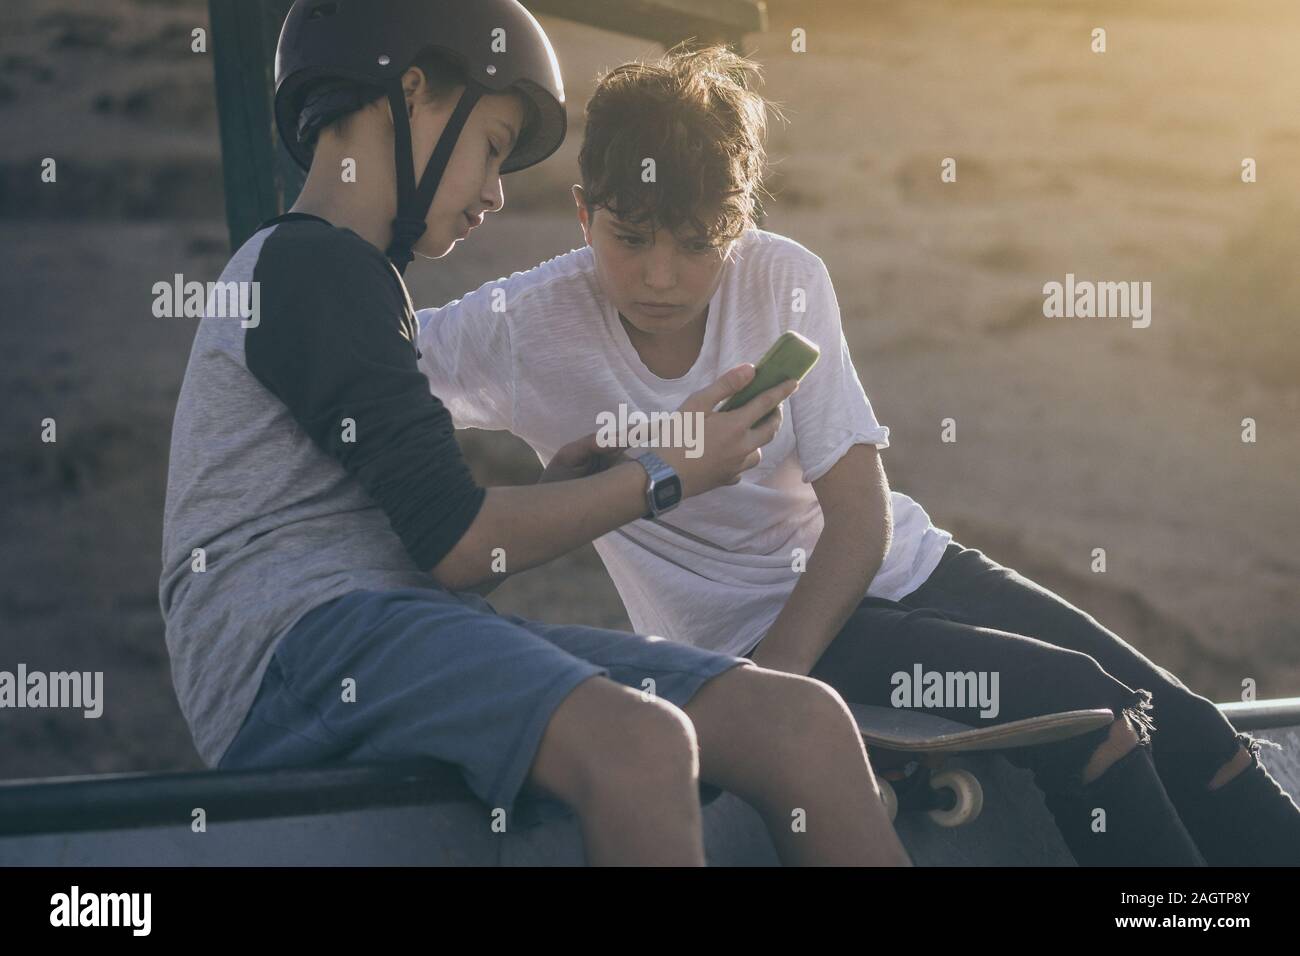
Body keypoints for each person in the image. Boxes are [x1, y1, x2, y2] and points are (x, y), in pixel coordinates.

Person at [415, 44, 1300, 865]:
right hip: (759, 631)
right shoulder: (521, 325)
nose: (660, 276)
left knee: (1191, 729)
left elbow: (861, 515)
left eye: (697, 243)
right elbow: (367, 362)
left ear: (740, 221)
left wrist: (770, 690)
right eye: (629, 236)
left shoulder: (783, 276)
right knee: (1087, 717)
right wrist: (763, 696)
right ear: (582, 212)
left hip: (894, 568)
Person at [158, 0, 910, 867]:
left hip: (386, 629)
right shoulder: (306, 264)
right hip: (292, 656)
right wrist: (666, 472)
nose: (495, 192)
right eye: (492, 144)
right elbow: (460, 547)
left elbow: (437, 542)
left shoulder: (355, 283)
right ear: (411, 94)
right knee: (640, 746)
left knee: (801, 724)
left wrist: (559, 496)